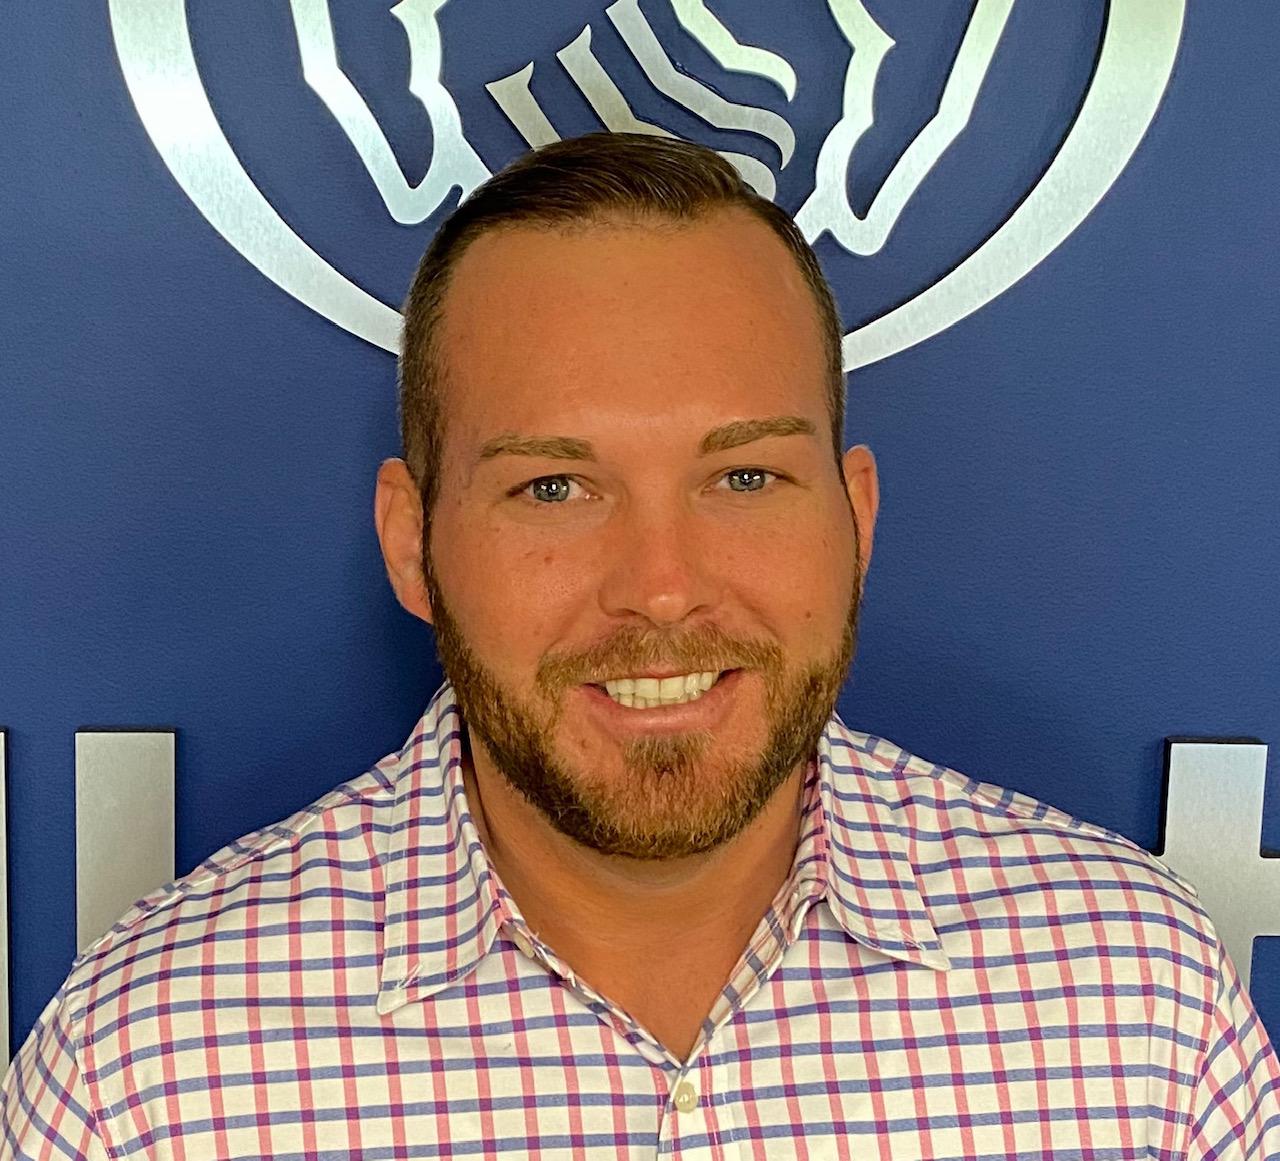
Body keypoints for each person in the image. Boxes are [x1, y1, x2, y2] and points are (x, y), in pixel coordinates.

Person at [3, 133, 1277, 1159]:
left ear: (855, 519)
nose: (661, 589)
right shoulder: (146, 1075)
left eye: (745, 478)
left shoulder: (1140, 1004)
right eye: (553, 488)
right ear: (411, 542)